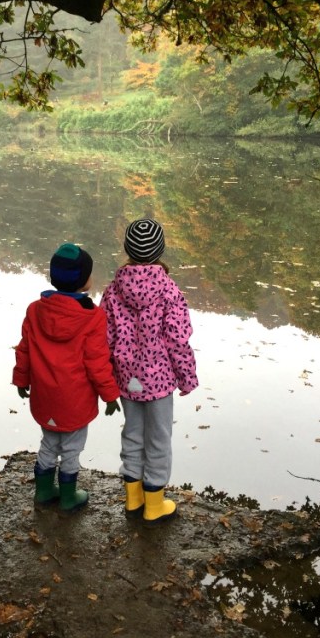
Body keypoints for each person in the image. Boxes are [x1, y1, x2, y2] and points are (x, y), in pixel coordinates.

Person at [100, 218, 198, 526]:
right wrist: (187, 377)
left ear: (127, 250)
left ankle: (133, 498)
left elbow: (103, 336)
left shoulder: (113, 290)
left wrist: (105, 377)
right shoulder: (169, 290)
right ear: (160, 251)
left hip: (126, 378)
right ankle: (154, 503)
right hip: (159, 380)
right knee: (158, 438)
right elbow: (178, 338)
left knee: (132, 433)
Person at [13, 243, 120, 513]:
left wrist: (21, 380)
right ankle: (69, 497)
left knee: (48, 443)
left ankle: (44, 491)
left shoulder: (35, 310)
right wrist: (110, 395)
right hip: (75, 401)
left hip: (44, 397)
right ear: (85, 281)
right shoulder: (93, 318)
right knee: (71, 449)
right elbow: (97, 362)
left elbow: (24, 348)